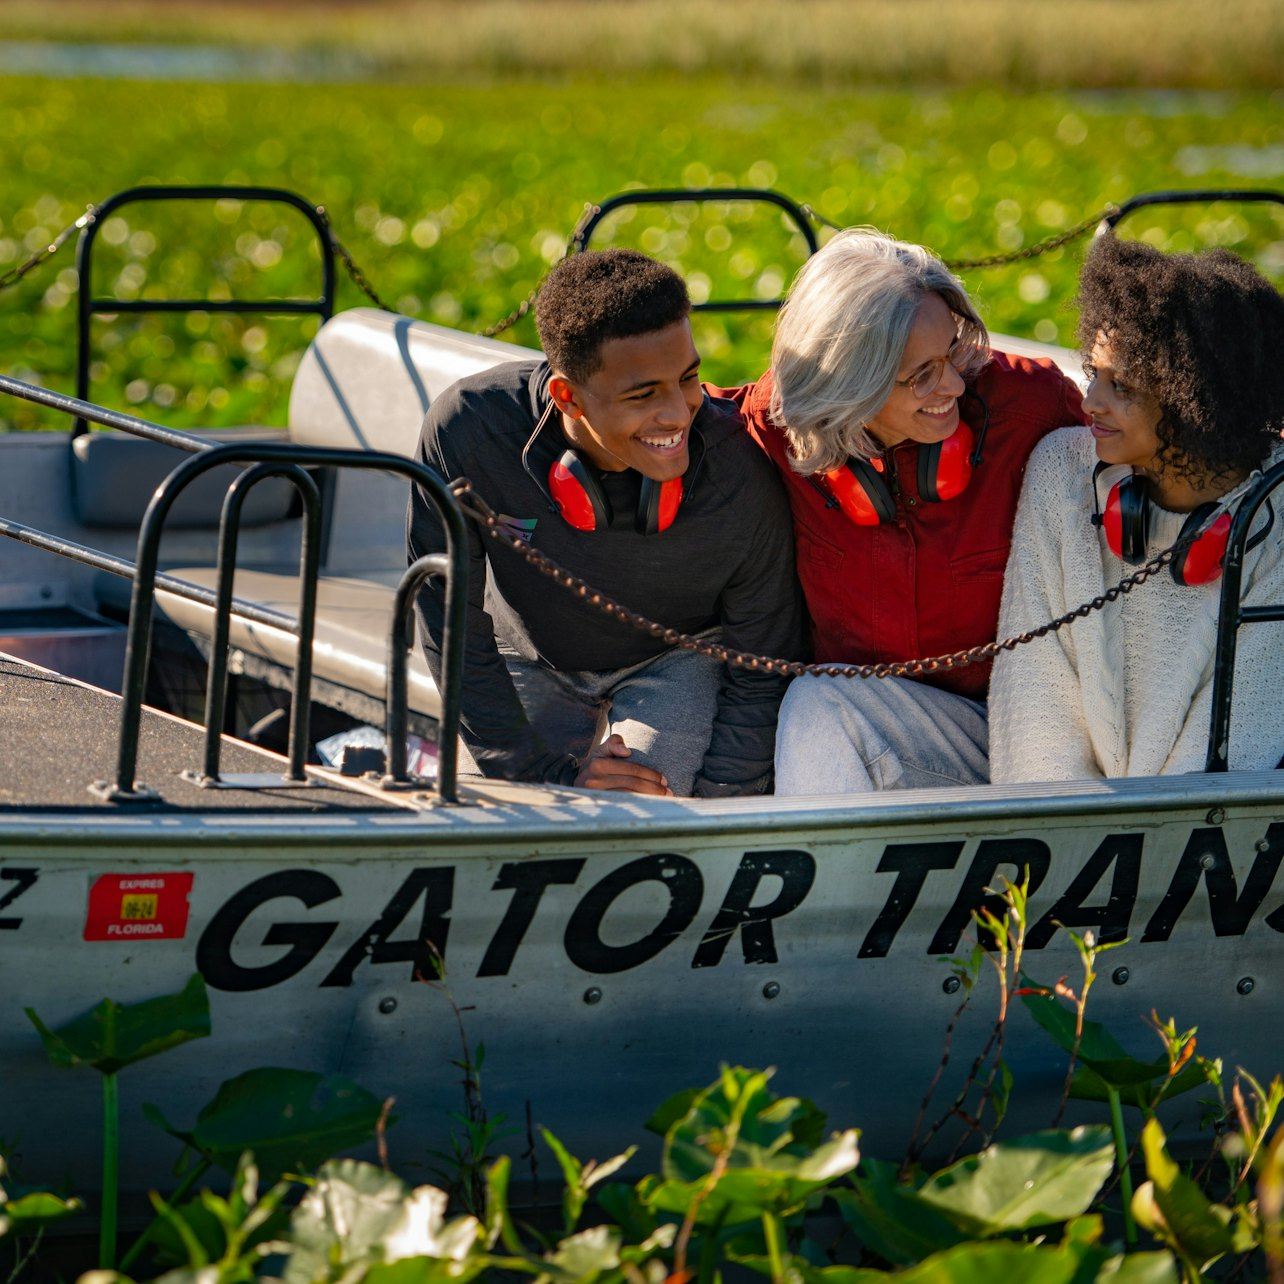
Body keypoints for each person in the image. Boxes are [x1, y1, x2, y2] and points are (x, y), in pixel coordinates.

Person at [408, 248, 804, 797]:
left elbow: (760, 671)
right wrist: (541, 777)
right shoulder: (468, 432)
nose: (678, 413)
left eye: (688, 378)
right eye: (643, 394)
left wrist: (711, 816)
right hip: (527, 653)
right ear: (567, 397)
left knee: (643, 808)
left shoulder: (738, 473)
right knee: (493, 817)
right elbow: (448, 623)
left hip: (677, 662)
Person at [720, 229, 1084, 795]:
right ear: (845, 383)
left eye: (952, 353)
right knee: (819, 702)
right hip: (886, 730)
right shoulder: (771, 427)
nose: (955, 383)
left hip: (1028, 735)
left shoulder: (1035, 407)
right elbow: (663, 422)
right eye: (921, 375)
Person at [989, 234, 1284, 780]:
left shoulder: (1277, 509)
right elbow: (1034, 698)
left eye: (1119, 385)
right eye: (1093, 373)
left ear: (1196, 399)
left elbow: (1244, 735)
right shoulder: (1062, 471)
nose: (1088, 403)